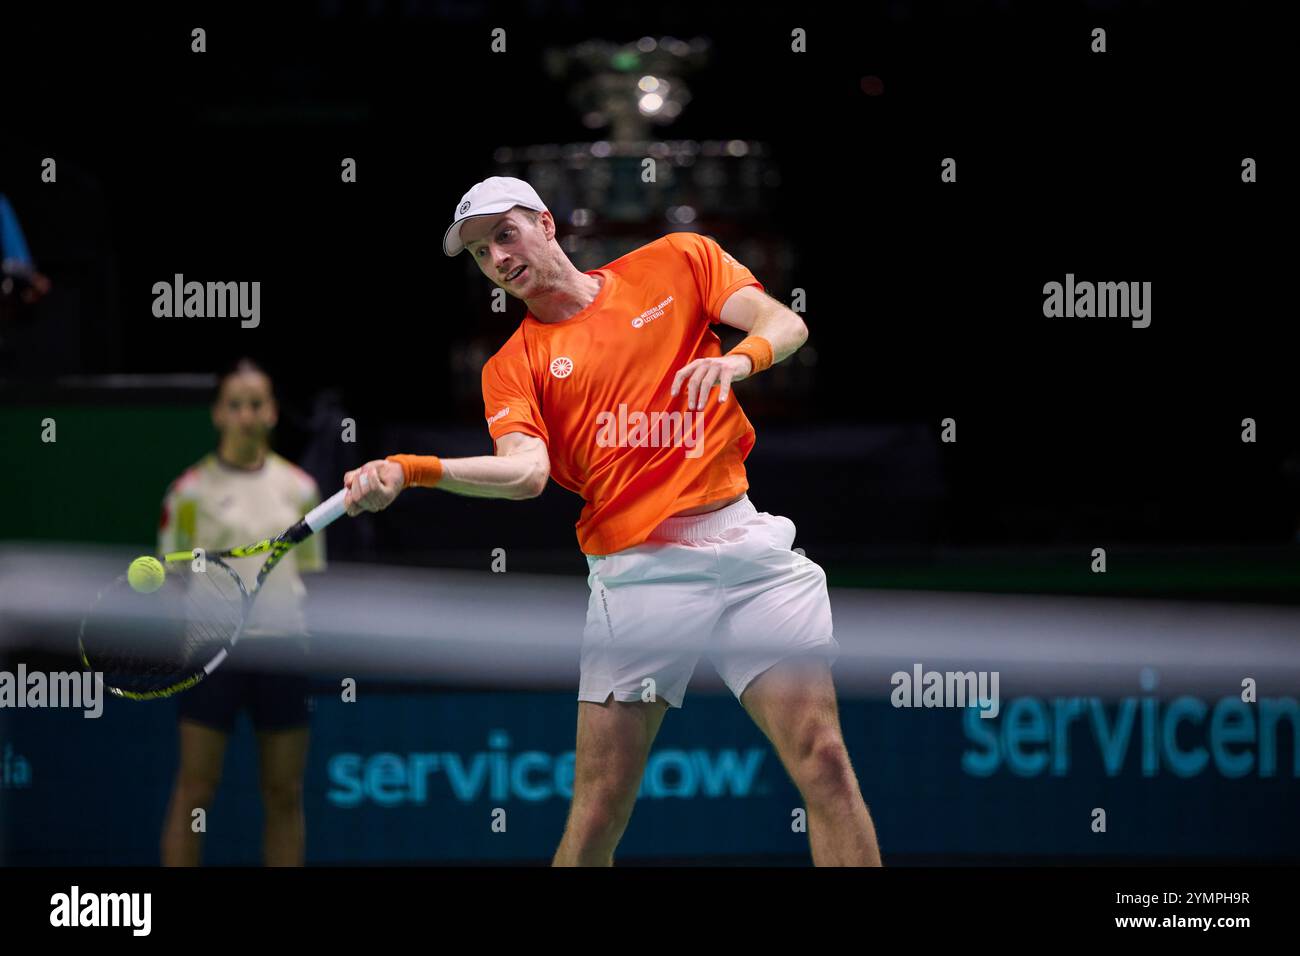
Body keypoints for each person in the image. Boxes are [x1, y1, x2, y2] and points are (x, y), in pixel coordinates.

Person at [343, 177, 882, 866]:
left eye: (505, 234)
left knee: (826, 761)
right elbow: (526, 474)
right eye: (480, 253)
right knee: (601, 808)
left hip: (748, 546)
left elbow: (787, 323)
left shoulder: (679, 261)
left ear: (545, 223)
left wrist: (737, 361)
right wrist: (414, 469)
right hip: (639, 572)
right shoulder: (515, 366)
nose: (498, 259)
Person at [158, 358, 325, 866]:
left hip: (283, 652)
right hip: (212, 655)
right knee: (195, 791)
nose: (246, 415)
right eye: (236, 405)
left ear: (272, 412)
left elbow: (310, 580)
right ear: (218, 414)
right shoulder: (187, 493)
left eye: (256, 404)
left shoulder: (300, 489)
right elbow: (173, 578)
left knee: (283, 794)